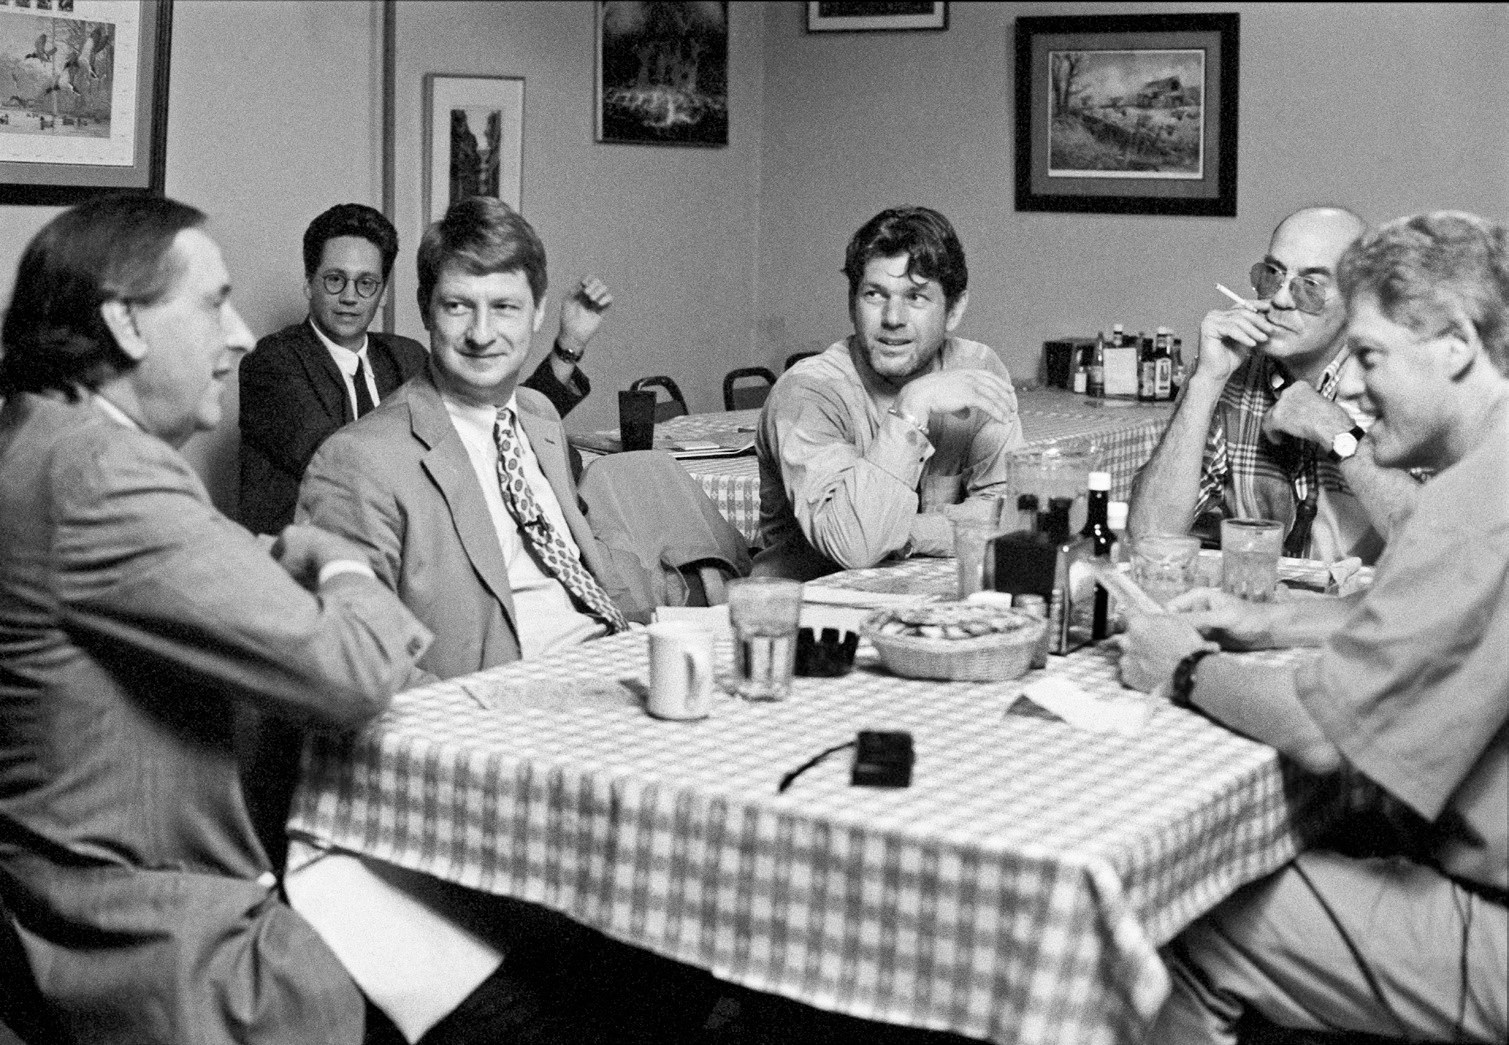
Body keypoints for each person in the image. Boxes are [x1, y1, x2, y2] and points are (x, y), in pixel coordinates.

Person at [0, 195, 432, 1045]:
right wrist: (340, 558)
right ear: (124, 321)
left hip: (47, 915)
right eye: (210, 303)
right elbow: (353, 672)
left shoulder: (36, 437)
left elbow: (143, 576)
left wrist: (261, 560)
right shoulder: (105, 470)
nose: (236, 334)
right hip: (165, 947)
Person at [286, 196, 708, 1044]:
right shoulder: (361, 460)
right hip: (494, 755)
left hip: (613, 706)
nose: (482, 333)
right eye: (458, 307)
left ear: (538, 314)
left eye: (504, 307)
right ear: (426, 311)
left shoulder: (540, 420)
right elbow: (348, 661)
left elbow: (589, 575)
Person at [1117, 211, 1508, 1044]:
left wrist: (1182, 667)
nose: (1355, 392)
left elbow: (1322, 733)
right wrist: (1265, 624)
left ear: (1455, 346)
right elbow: (1432, 627)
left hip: (1495, 926)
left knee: (1175, 914)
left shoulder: (1468, 505)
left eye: (1369, 359)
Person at [238, 201, 613, 534]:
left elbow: (499, 423)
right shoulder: (272, 364)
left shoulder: (404, 356)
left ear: (383, 293)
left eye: (367, 283)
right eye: (335, 280)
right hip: (317, 565)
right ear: (309, 283)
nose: (350, 297)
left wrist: (570, 344)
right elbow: (349, 472)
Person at [1128, 205, 1421, 565]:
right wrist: (1205, 383)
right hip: (1260, 607)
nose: (1280, 299)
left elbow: (1439, 545)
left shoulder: (1402, 381)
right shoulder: (1234, 370)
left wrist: (1334, 430)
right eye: (1273, 275)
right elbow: (1149, 538)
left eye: (1310, 286)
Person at [752, 206, 1022, 580]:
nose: (893, 318)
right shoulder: (807, 392)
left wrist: (905, 531)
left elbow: (1013, 514)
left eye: (916, 298)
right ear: (852, 304)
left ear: (954, 310)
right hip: (808, 616)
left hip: (928, 605)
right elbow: (856, 546)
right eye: (875, 295)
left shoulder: (975, 369)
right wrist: (912, 406)